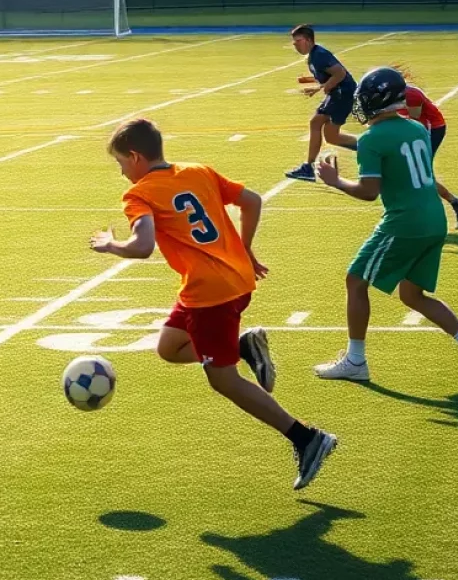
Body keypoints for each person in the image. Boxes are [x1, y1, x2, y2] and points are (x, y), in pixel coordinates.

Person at [90, 118, 337, 490]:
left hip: (212, 295)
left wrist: (110, 244)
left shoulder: (139, 194)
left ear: (137, 157)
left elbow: (142, 247)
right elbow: (252, 201)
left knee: (223, 379)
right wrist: (247, 249)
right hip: (231, 281)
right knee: (169, 348)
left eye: (122, 163)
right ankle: (243, 345)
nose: (122, 171)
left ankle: (307, 438)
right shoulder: (197, 171)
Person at [315, 67, 458, 381]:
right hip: (434, 218)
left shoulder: (372, 139)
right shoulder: (417, 129)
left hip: (404, 222)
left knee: (356, 280)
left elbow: (369, 192)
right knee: (412, 296)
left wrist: (336, 181)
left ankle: (355, 362)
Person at [286, 24, 359, 182]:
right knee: (330, 136)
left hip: (342, 95)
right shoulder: (314, 55)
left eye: (298, 41)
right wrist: (315, 85)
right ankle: (367, 147)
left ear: (308, 40)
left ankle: (308, 168)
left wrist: (326, 87)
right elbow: (327, 74)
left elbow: (340, 73)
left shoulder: (319, 54)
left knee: (319, 126)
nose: (295, 45)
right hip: (337, 94)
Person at [401, 81, 458, 229]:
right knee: (417, 174)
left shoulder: (411, 94)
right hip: (416, 129)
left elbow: (414, 119)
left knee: (420, 174)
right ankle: (456, 203)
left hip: (429, 129)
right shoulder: (397, 93)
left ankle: (427, 216)